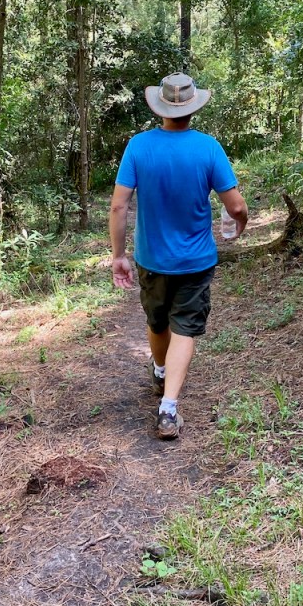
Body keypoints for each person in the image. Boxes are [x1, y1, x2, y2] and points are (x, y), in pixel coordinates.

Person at [109, 72, 248, 440]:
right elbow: (235, 207)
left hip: (151, 258)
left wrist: (118, 255)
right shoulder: (208, 148)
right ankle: (168, 410)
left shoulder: (138, 147)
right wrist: (242, 223)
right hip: (196, 260)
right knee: (185, 328)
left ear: (160, 108)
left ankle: (159, 370)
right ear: (193, 108)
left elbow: (119, 207)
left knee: (158, 323)